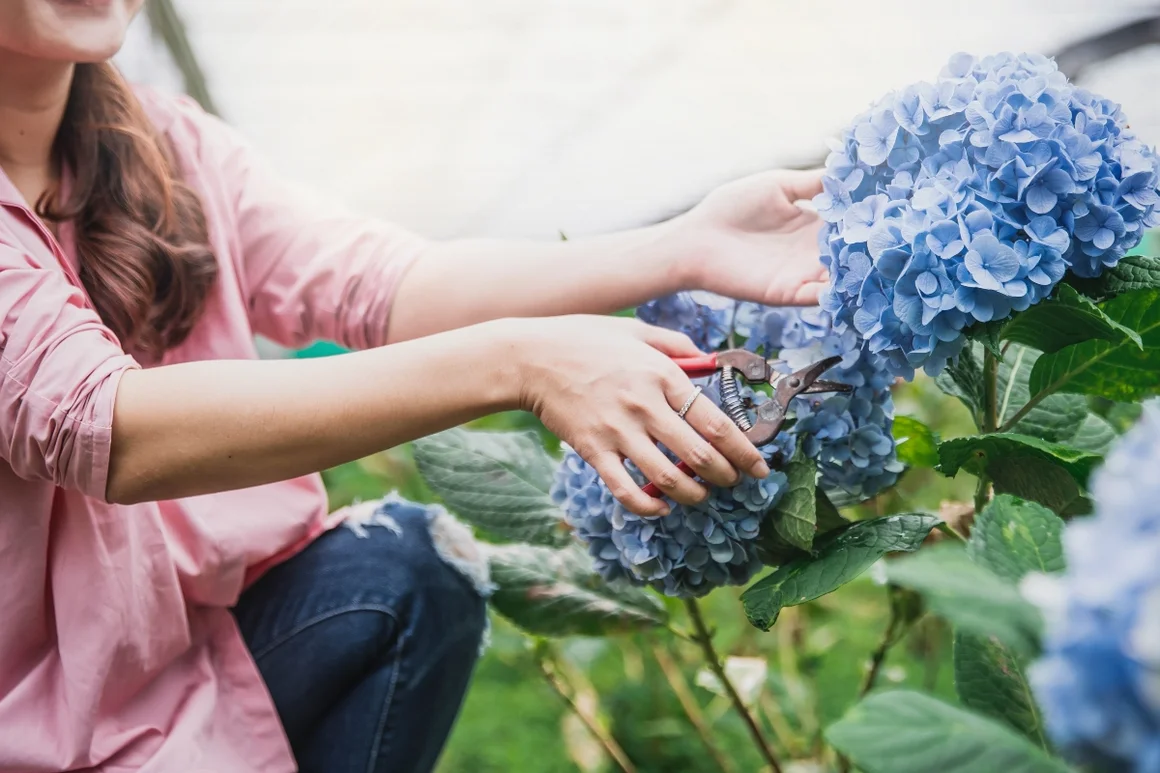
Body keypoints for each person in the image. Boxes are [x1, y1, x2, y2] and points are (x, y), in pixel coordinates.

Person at [0, 2, 828, 771]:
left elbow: (381, 284)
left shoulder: (165, 143)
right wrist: (519, 362)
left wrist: (686, 244)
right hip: (39, 727)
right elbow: (105, 425)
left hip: (180, 660)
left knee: (407, 569)